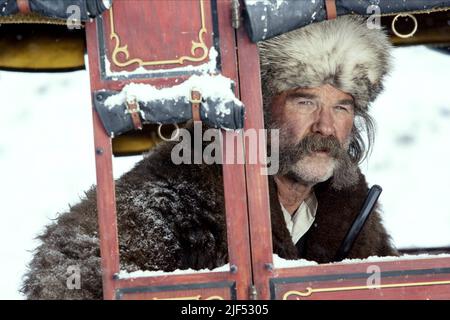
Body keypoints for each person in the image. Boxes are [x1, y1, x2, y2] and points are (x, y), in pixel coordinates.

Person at [22, 15, 397, 300]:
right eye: (306, 101)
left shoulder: (351, 211)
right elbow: (66, 274)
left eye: (342, 107)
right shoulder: (180, 184)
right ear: (260, 105)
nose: (326, 127)